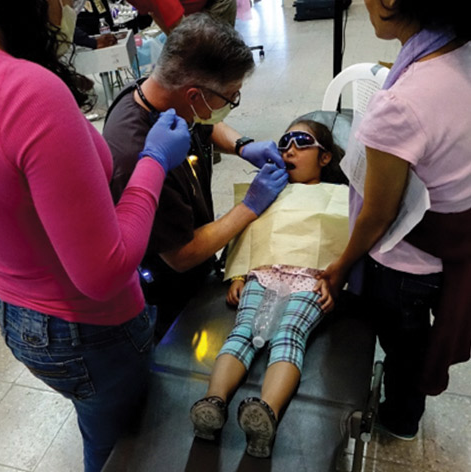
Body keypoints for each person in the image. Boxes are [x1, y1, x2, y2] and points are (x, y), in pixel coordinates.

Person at [0, 1, 190, 471]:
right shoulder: (25, 91)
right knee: (126, 448)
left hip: (19, 313)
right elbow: (105, 270)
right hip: (88, 331)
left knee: (100, 425)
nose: (61, 9)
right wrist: (154, 161)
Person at [321, 0, 471, 441]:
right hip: (450, 248)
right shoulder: (458, 51)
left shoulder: (400, 105)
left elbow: (379, 214)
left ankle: (400, 418)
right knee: (414, 337)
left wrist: (341, 265)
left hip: (407, 266)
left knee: (403, 345)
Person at [103, 12, 288, 340]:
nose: (232, 104)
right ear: (194, 94)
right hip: (169, 295)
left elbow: (206, 122)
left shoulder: (164, 96)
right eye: (231, 97)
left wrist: (243, 146)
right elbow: (181, 255)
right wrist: (249, 206)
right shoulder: (135, 155)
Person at [190, 118, 349, 458]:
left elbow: (347, 245)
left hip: (311, 279)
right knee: (242, 332)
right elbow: (246, 232)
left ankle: (266, 413)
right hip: (261, 275)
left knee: (289, 335)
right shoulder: (267, 189)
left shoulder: (338, 200)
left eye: (301, 142)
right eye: (284, 141)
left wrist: (336, 281)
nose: (289, 148)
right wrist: (236, 274)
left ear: (324, 158)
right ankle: (212, 403)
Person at [127, 0, 236, 34]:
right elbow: (155, 13)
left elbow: (182, 31)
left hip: (217, 2)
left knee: (215, 54)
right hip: (193, 7)